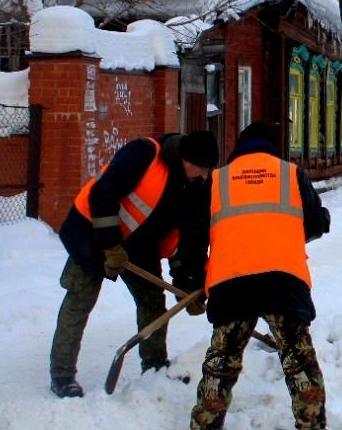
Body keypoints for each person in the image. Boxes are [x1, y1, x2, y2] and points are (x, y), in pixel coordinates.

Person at [186, 122, 333, 430]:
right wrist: (313, 220)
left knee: (222, 359)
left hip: (231, 282)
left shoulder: (218, 179)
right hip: (282, 280)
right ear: (273, 147)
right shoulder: (290, 174)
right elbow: (314, 222)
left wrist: (192, 281)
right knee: (298, 356)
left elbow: (194, 237)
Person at [49, 131, 219, 398]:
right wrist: (110, 246)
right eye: (201, 168)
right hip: (92, 235)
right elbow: (102, 194)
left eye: (209, 170)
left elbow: (193, 238)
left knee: (152, 300)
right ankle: (62, 374)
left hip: (139, 248)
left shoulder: (198, 186)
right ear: (185, 159)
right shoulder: (143, 154)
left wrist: (190, 284)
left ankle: (154, 367)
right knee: (80, 298)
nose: (204, 175)